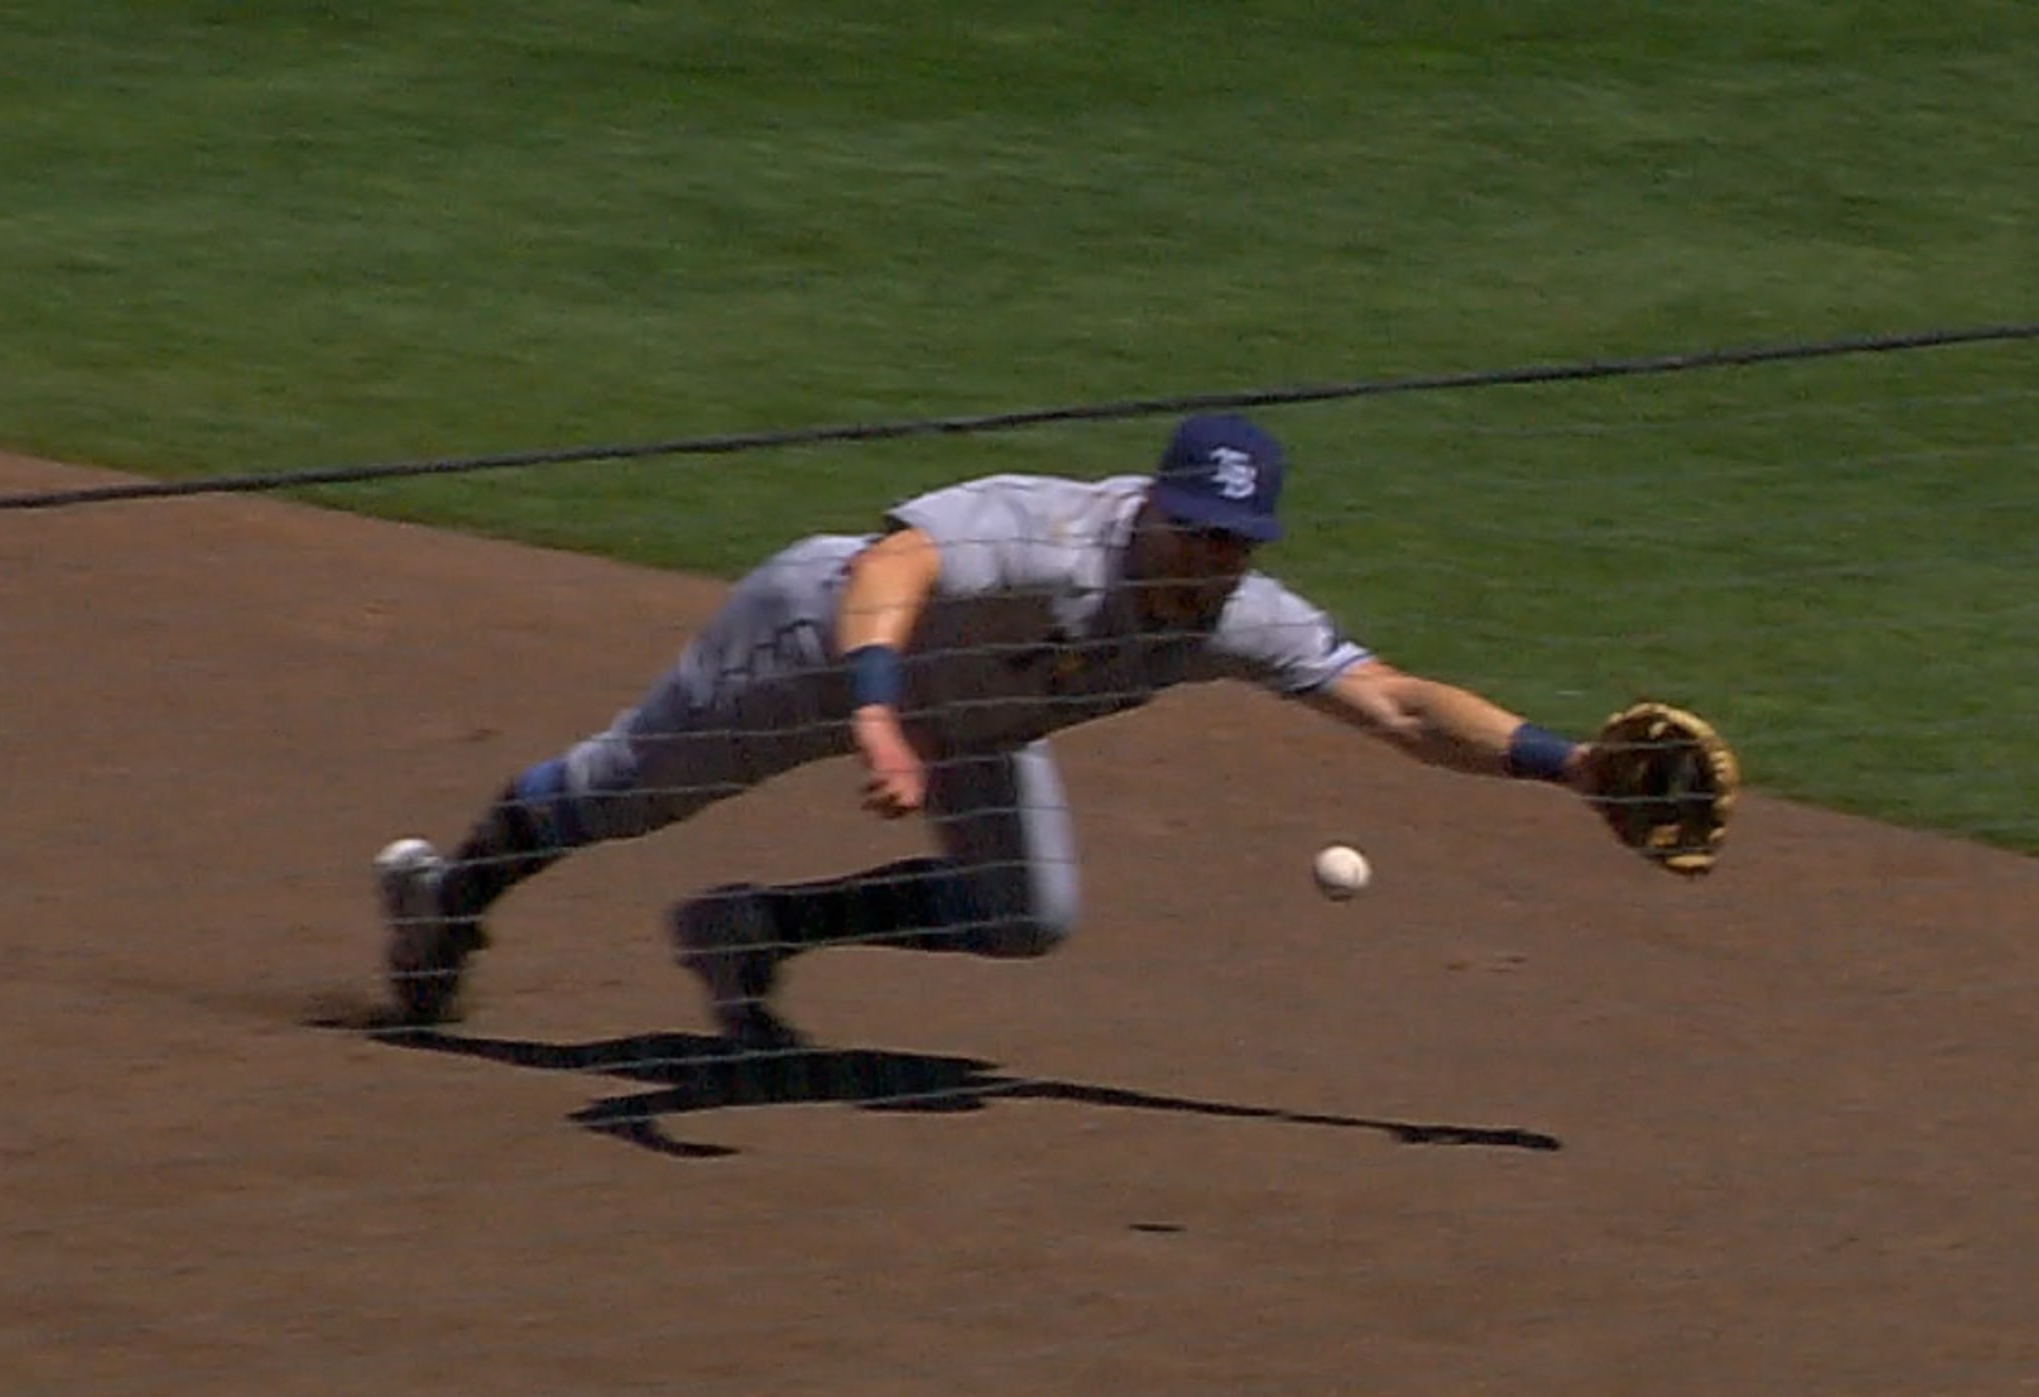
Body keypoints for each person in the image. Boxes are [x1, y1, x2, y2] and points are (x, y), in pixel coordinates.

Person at [377, 411, 1611, 1048]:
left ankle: (751, 929)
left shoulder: (1236, 614)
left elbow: (1396, 703)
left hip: (976, 712)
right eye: (1196, 532)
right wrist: (872, 714)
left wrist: (1572, 764)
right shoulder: (1050, 536)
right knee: (624, 791)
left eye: (1235, 544)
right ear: (1156, 509)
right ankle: (450, 898)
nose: (1213, 560)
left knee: (1026, 916)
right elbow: (894, 563)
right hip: (823, 646)